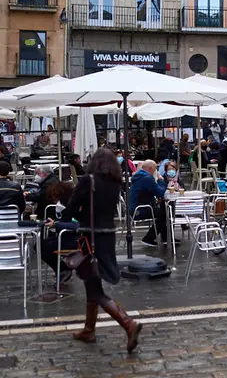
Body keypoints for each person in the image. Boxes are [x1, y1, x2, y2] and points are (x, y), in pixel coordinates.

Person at [65, 149, 143, 352]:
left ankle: (127, 323)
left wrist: (72, 213)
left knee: (95, 287)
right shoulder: (115, 183)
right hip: (108, 236)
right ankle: (89, 330)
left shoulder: (88, 181)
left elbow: (71, 209)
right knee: (93, 280)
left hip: (90, 237)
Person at [41, 182, 78, 284]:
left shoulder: (73, 207)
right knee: (40, 245)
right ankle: (62, 269)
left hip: (76, 239)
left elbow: (76, 225)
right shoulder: (66, 205)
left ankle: (63, 270)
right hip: (68, 236)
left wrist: (56, 224)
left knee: (44, 247)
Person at [129, 160, 168, 247]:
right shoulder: (147, 178)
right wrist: (161, 180)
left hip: (137, 207)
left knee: (162, 211)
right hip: (139, 210)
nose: (155, 171)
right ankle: (149, 238)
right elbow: (160, 192)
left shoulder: (139, 177)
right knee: (163, 214)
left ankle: (165, 238)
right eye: (155, 169)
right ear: (151, 169)